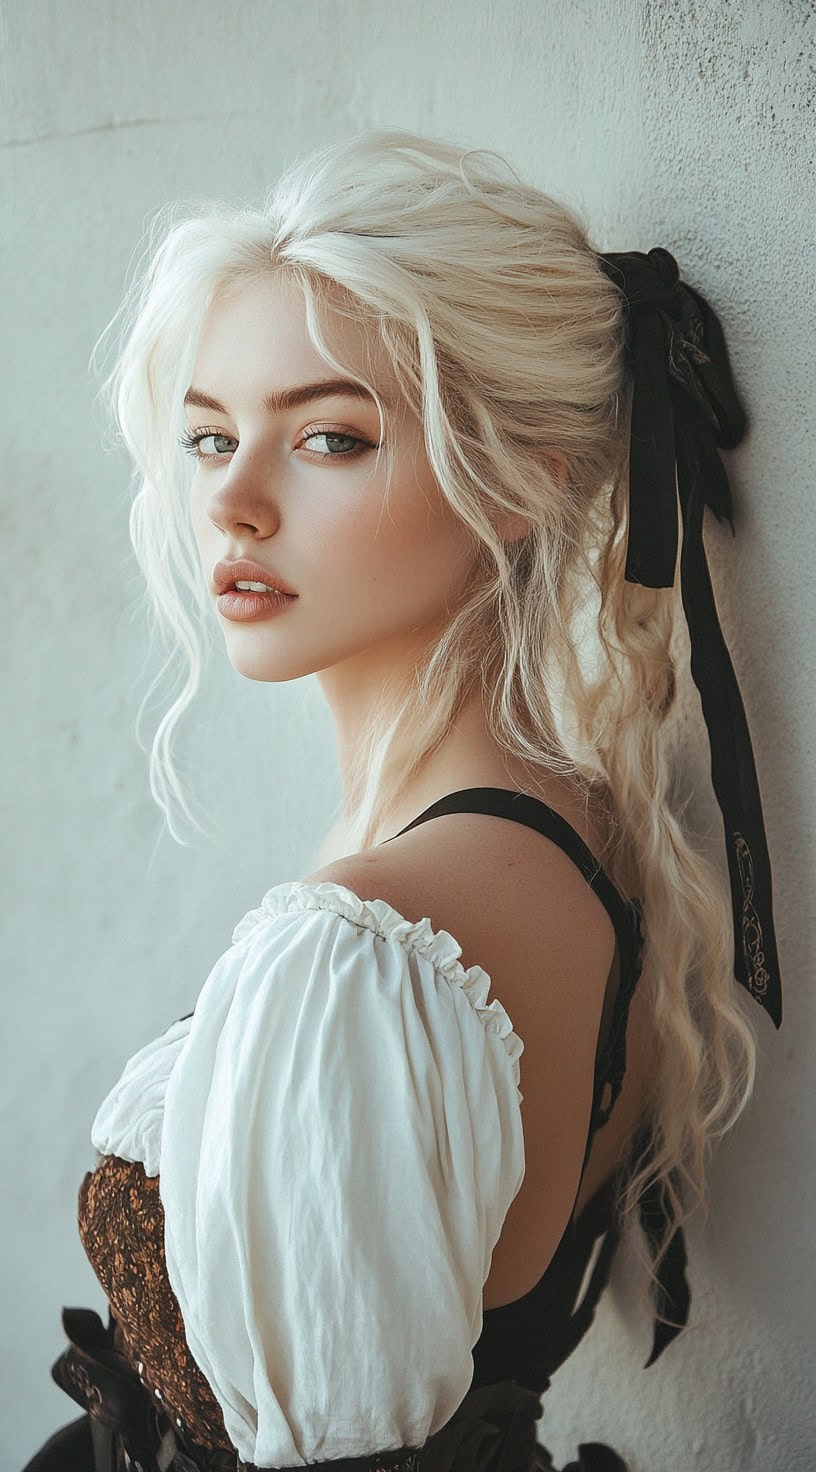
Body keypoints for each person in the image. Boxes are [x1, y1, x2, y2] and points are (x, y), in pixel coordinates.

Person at [22, 129, 782, 1472]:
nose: (234, 506)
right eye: (208, 437)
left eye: (327, 437)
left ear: (523, 479)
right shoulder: (551, 825)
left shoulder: (370, 944)